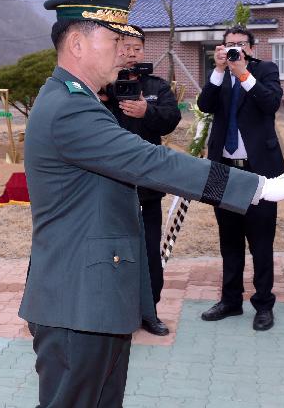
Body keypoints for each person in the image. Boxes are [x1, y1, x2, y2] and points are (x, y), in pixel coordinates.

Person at [19, 0, 284, 408]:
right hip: (78, 301)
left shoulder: (78, 100)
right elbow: (150, 162)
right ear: (77, 43)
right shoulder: (69, 108)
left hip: (94, 297)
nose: (124, 52)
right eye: (114, 41)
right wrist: (259, 187)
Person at [196, 25, 284, 331]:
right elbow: (204, 105)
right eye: (229, 44)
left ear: (251, 47)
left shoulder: (266, 70)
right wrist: (219, 71)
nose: (234, 49)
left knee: (261, 241)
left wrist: (244, 73)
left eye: (240, 44)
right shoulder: (218, 75)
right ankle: (230, 300)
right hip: (224, 167)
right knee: (229, 239)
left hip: (258, 167)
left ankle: (263, 303)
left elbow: (270, 103)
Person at [101, 29, 181, 337]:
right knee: (111, 251)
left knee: (149, 250)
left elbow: (171, 118)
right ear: (117, 49)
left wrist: (147, 111)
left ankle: (150, 312)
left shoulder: (155, 86)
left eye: (138, 47)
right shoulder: (103, 85)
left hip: (147, 186)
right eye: (127, 47)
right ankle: (115, 312)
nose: (132, 53)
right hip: (111, 184)